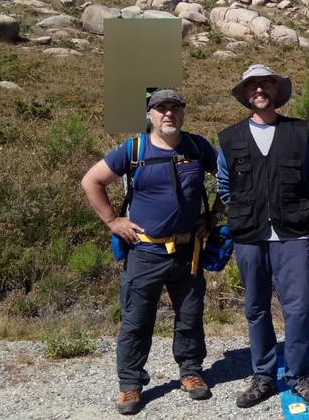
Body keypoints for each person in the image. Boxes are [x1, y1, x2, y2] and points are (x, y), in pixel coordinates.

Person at [81, 89, 225, 415]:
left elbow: (228, 180)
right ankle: (130, 385)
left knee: (190, 318)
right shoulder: (133, 149)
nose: (168, 114)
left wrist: (214, 215)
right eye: (161, 109)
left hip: (189, 251)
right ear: (150, 114)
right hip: (144, 253)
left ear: (183, 113)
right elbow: (91, 181)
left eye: (175, 108)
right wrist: (113, 220)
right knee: (135, 321)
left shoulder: (198, 147)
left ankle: (190, 373)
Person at [216, 64, 309, 408]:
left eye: (265, 85)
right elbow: (223, 185)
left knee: (300, 307)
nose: (259, 90)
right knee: (256, 308)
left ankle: (299, 376)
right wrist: (249, 210)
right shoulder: (229, 137)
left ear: (275, 91)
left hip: (292, 234)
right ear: (246, 94)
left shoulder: (298, 132)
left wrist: (289, 208)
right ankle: (263, 377)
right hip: (249, 235)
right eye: (253, 86)